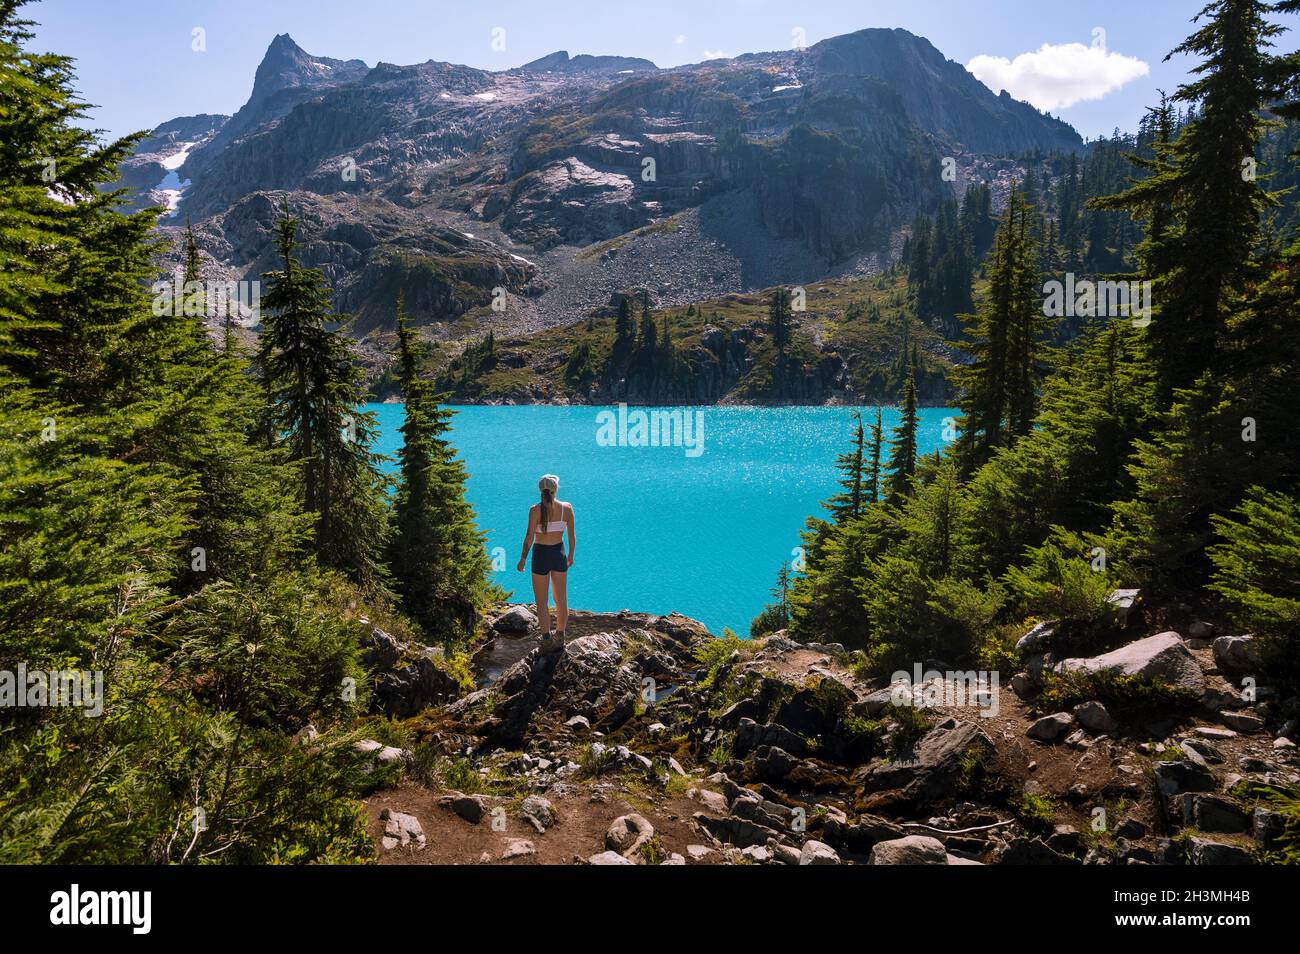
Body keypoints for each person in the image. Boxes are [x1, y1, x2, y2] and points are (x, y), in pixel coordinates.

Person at [516, 473, 575, 652]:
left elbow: (529, 537)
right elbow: (571, 536)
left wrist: (523, 558)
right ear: (556, 489)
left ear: (540, 490)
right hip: (559, 554)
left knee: (542, 602)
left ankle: (547, 639)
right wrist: (570, 555)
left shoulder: (535, 510)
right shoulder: (567, 508)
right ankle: (561, 636)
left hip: (540, 555)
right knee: (561, 599)